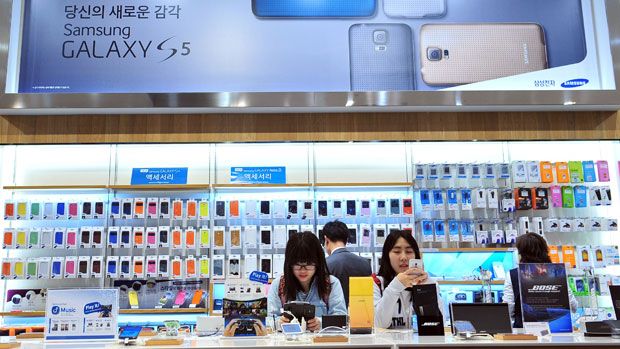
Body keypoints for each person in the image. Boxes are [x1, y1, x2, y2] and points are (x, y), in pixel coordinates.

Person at [268, 231, 347, 332]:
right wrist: (279, 323)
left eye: (308, 264)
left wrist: (321, 323)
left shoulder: (331, 283)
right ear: (289, 264)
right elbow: (270, 320)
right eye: (297, 265)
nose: (303, 270)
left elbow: (341, 320)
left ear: (318, 262)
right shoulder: (278, 285)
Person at [503, 233, 578, 328]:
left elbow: (508, 308)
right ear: (545, 250)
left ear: (521, 253)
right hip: (556, 330)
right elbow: (573, 306)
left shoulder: (513, 275)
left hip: (524, 333)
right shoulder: (557, 272)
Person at [373, 230, 443, 329]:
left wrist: (426, 288)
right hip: (387, 344)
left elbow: (436, 325)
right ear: (387, 255)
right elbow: (379, 325)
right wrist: (396, 285)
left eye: (409, 251)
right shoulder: (376, 283)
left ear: (416, 255)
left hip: (419, 344)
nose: (404, 257)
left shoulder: (429, 283)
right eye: (397, 251)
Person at [323, 221, 372, 306]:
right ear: (347, 239)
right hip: (360, 314)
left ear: (326, 240)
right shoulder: (365, 263)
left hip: (333, 316)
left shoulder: (325, 264)